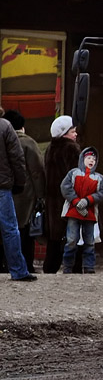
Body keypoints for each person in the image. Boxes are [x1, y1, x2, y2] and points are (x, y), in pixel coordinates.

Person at [3, 110, 45, 274]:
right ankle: (25, 264)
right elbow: (36, 171)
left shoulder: (3, 140)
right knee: (25, 231)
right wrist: (41, 195)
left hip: (6, 192)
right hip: (25, 195)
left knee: (6, 229)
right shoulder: (28, 143)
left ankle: (7, 263)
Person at [59, 146, 103, 274]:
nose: (91, 160)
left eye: (94, 159)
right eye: (89, 158)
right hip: (73, 212)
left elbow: (102, 193)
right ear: (83, 159)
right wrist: (75, 201)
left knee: (89, 242)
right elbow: (65, 187)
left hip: (89, 214)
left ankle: (89, 267)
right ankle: (67, 267)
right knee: (71, 240)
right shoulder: (73, 173)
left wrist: (88, 200)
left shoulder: (99, 178)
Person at [43, 115, 81, 273]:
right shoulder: (71, 149)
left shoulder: (50, 149)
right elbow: (77, 175)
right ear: (65, 133)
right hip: (70, 197)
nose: (75, 134)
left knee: (55, 235)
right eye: (73, 131)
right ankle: (75, 267)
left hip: (53, 199)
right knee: (75, 232)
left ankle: (50, 266)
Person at [0, 110, 34, 281]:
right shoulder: (5, 126)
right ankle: (18, 270)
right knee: (10, 230)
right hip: (2, 187)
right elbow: (17, 157)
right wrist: (20, 183)